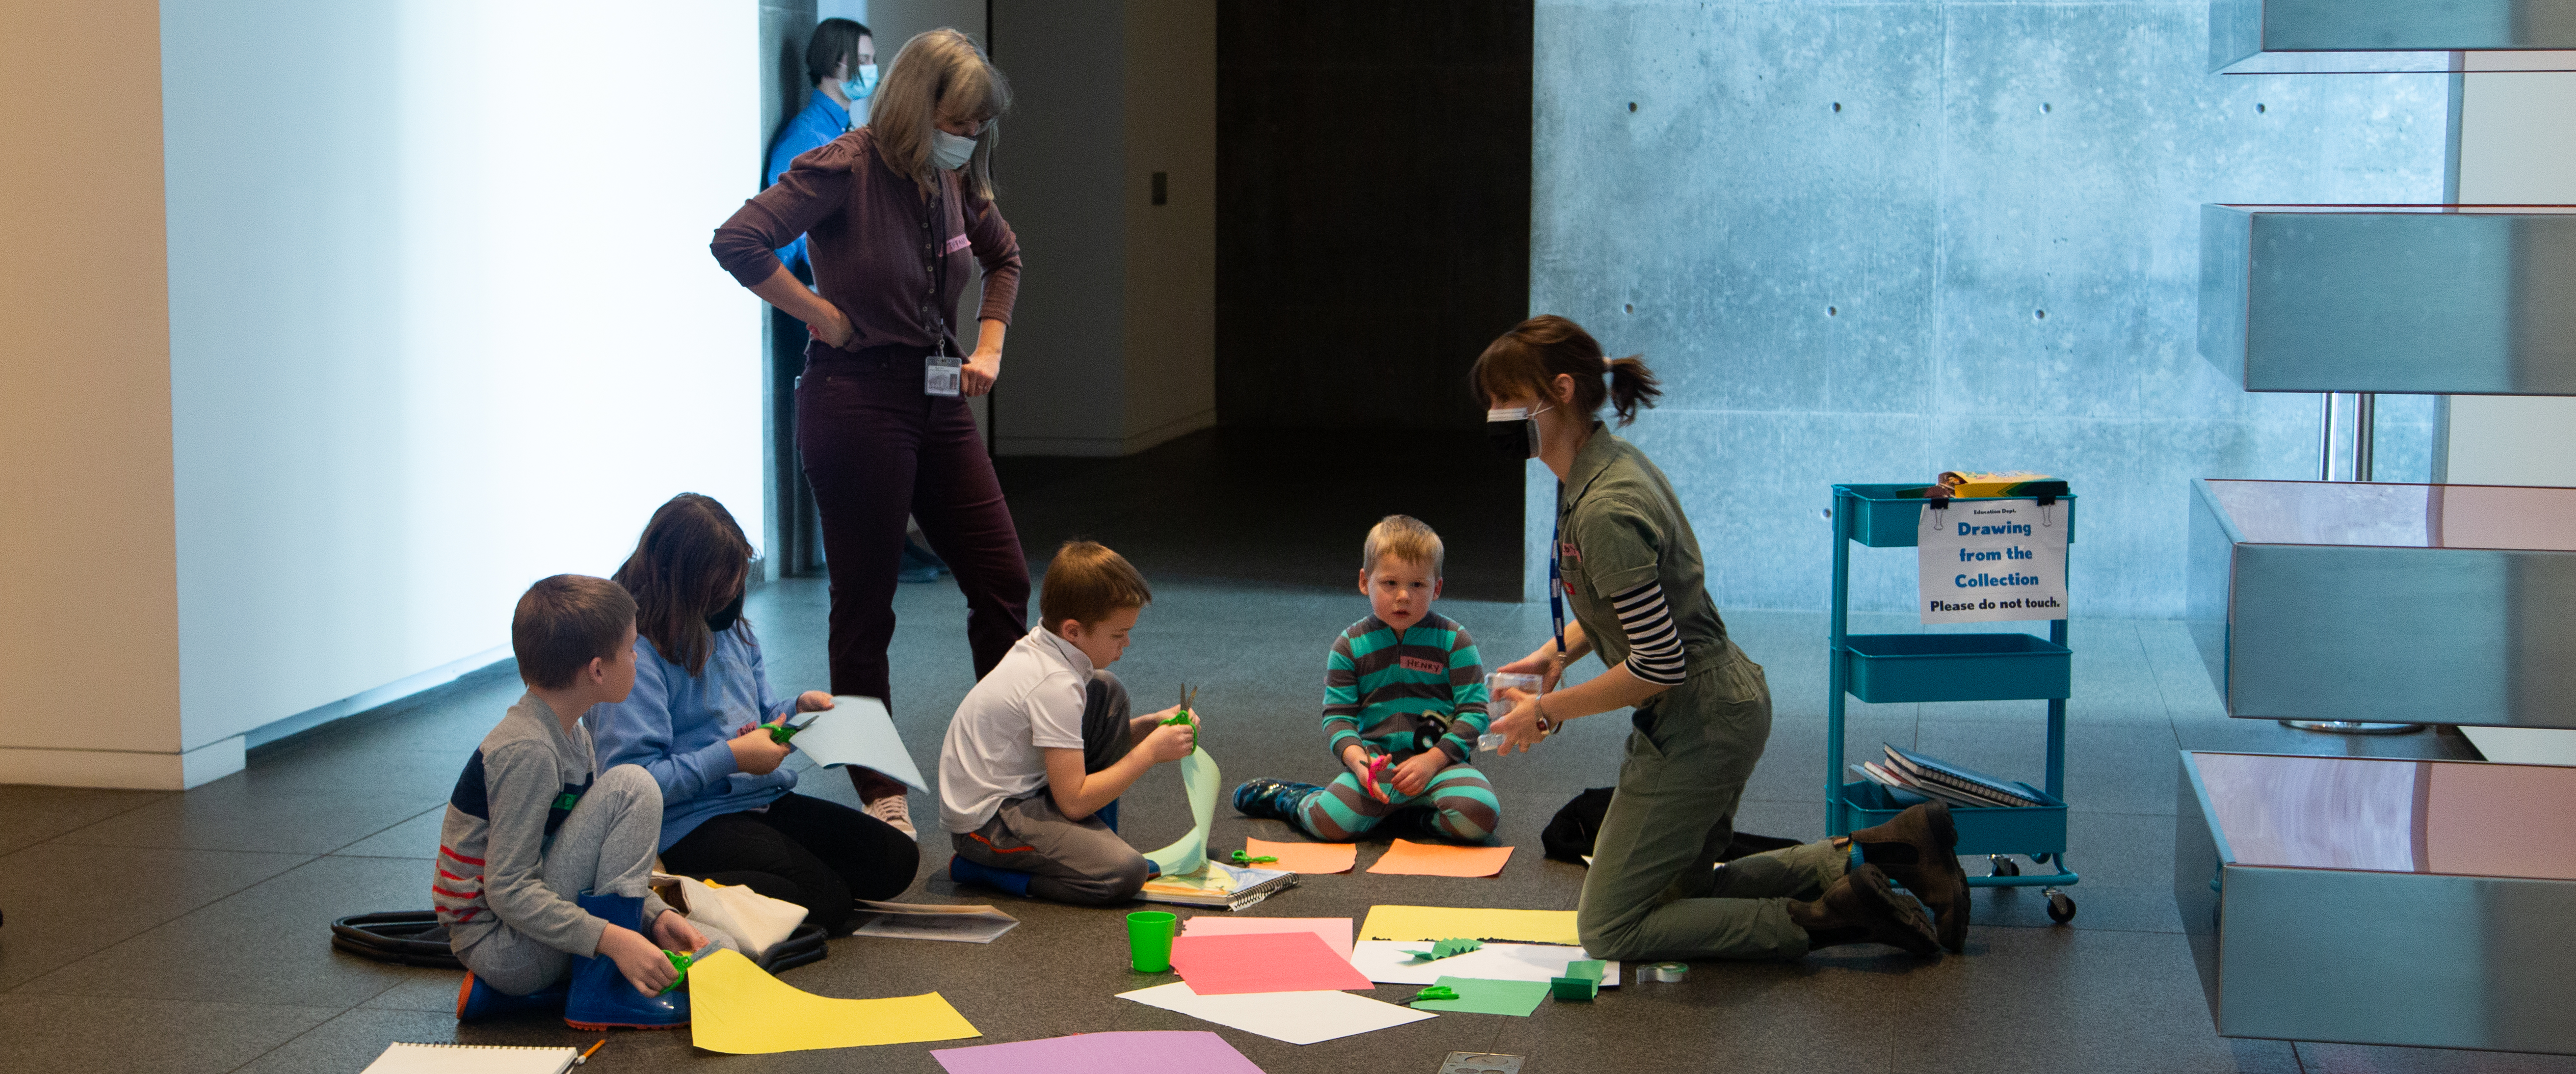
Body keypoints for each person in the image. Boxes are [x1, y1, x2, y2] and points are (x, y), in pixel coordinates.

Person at [1473, 316, 1972, 962]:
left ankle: (1826, 917)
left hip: (1699, 719)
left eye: (1503, 399)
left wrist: (1544, 709)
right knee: (1671, 895)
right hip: (1714, 703)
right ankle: (1884, 851)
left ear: (1559, 391)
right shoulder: (1599, 466)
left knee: (1611, 928)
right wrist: (1554, 653)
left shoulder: (1604, 507)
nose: (1493, 414)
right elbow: (1636, 606)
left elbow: (1656, 661)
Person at [710, 29, 1026, 811]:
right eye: (958, 121)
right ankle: (876, 789)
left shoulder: (949, 181)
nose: (968, 138)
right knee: (865, 607)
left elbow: (1004, 258)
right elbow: (738, 240)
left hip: (938, 398)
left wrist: (988, 343)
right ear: (919, 107)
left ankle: (1009, 772)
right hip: (854, 400)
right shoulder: (843, 166)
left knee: (1003, 580)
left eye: (977, 125)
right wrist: (819, 312)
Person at [592, 494, 920, 937]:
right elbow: (632, 783)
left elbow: (761, 713)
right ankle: (674, 890)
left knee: (896, 859)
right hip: (689, 821)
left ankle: (754, 882)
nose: (732, 600)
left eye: (735, 588)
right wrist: (731, 757)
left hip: (759, 797)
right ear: (683, 586)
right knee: (829, 904)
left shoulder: (732, 630)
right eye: (719, 593)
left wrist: (796, 711)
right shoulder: (636, 656)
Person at [439, 574, 715, 1031]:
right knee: (633, 786)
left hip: (524, 939)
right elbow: (507, 889)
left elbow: (589, 856)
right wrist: (615, 940)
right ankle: (597, 993)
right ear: (597, 670)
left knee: (715, 949)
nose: (637, 657)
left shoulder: (570, 733)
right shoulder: (529, 751)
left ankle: (541, 993)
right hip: (503, 948)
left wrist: (653, 915)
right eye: (631, 648)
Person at [938, 540, 1199, 905]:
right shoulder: (1054, 685)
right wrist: (1150, 754)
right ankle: (985, 871)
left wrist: (1152, 727)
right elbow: (1074, 802)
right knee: (1124, 873)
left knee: (1107, 692)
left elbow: (1068, 749)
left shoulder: (1049, 648)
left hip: (1028, 791)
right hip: (987, 824)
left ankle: (1089, 846)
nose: (1126, 644)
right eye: (1117, 634)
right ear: (1073, 631)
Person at [1231, 515, 1503, 843]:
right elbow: (1338, 717)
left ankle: (1409, 818)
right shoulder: (1349, 645)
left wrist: (1433, 761)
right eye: (1390, 584)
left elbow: (1474, 711)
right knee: (1330, 823)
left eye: (1418, 585)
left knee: (1481, 814)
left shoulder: (1455, 641)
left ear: (1438, 588)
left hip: (1441, 768)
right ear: (1365, 582)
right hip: (1375, 770)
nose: (1403, 595)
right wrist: (1360, 763)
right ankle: (1294, 799)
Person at [764, 18, 875, 277]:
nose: (873, 68)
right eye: (864, 59)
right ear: (834, 63)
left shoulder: (845, 130)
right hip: (817, 294)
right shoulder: (807, 136)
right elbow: (786, 233)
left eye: (873, 59)